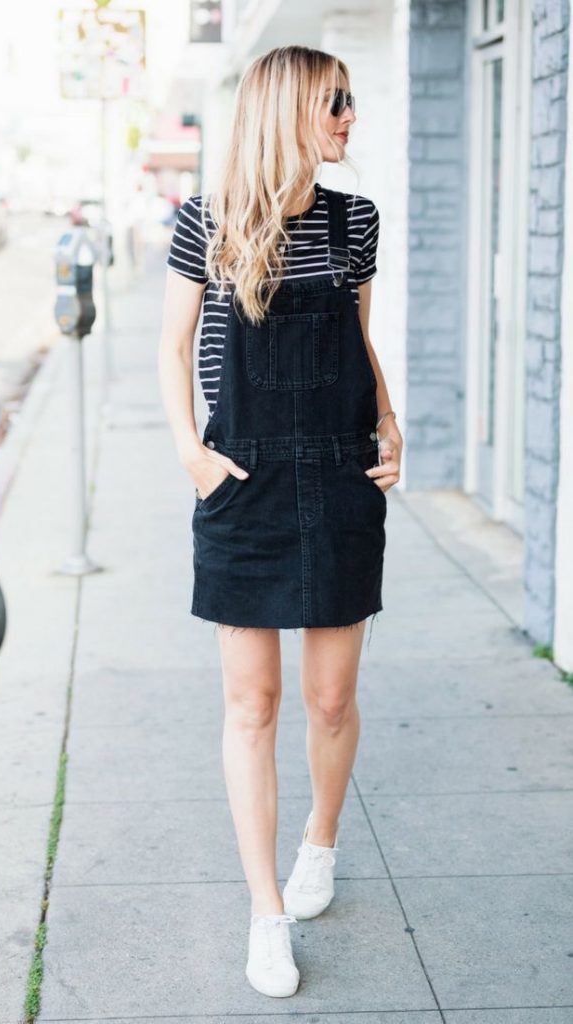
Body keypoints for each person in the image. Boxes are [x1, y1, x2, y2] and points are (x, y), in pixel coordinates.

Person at [158, 45, 403, 998]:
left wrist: (386, 418)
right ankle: (266, 915)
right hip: (243, 485)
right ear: (287, 110)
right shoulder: (206, 225)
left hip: (339, 475)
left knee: (331, 700)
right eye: (334, 101)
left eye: (350, 100)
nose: (349, 116)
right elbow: (173, 348)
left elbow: (361, 341)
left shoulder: (353, 224)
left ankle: (320, 844)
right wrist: (191, 454)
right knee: (250, 704)